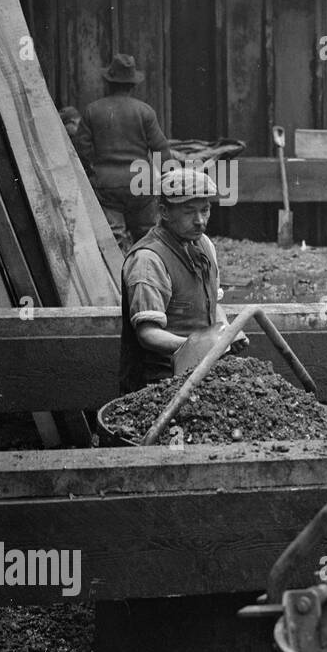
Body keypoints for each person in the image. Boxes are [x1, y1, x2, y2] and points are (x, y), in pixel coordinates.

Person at [118, 169, 240, 395]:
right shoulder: (148, 260)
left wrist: (226, 334)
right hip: (158, 385)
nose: (200, 221)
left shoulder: (204, 244)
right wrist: (203, 347)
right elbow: (148, 334)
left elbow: (213, 303)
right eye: (189, 212)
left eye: (205, 210)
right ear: (164, 211)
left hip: (201, 376)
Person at [80, 53, 175, 253]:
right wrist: (168, 180)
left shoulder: (92, 111)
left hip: (107, 185)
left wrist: (92, 176)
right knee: (148, 238)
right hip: (141, 183)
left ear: (108, 83)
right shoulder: (145, 111)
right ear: (133, 85)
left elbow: (82, 151)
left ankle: (116, 279)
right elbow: (161, 149)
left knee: (114, 240)